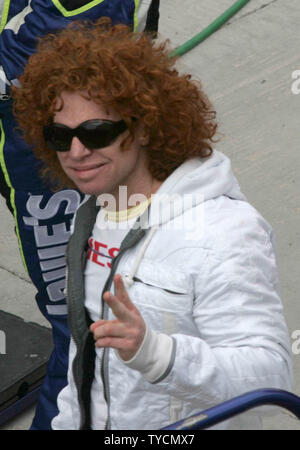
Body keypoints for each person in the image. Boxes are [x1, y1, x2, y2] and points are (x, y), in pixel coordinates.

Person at [12, 17, 292, 430]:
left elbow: (272, 383)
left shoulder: (223, 233)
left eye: (96, 132)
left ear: (143, 127)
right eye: (59, 136)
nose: (75, 152)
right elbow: (82, 367)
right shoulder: (94, 215)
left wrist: (158, 354)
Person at [0, 0, 160, 430]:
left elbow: (145, 75)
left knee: (100, 313)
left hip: (104, 153)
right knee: (75, 317)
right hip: (32, 162)